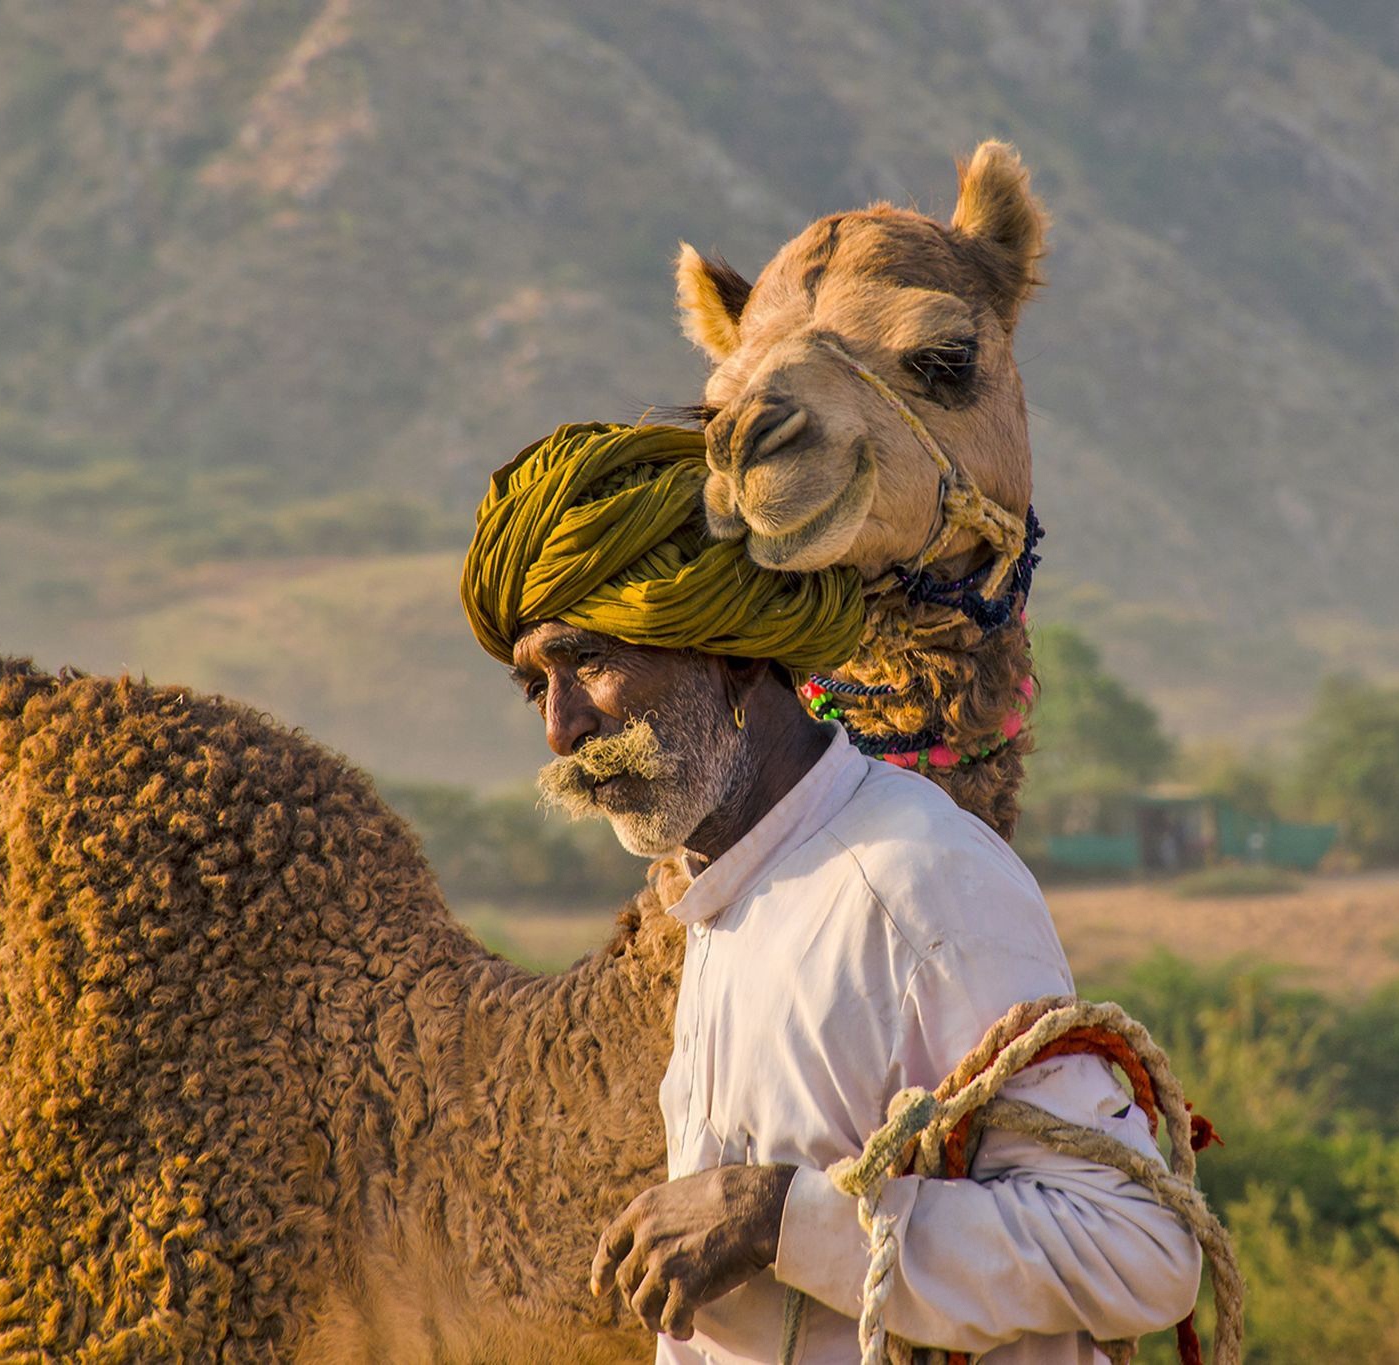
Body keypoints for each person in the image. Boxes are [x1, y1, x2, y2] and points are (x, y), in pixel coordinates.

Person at [462, 423, 1202, 1364]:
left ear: (729, 649)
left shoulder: (912, 880)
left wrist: (778, 1216)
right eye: (537, 686)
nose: (562, 729)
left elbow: (1140, 1251)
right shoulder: (727, 904)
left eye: (592, 663)